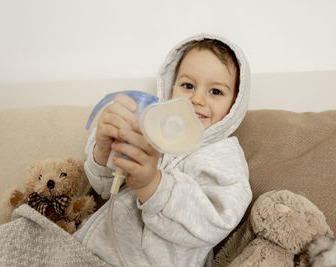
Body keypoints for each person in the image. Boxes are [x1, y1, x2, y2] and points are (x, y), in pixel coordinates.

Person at [74, 33, 252, 267]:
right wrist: (104, 148)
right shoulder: (153, 127)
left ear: (235, 104)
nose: (197, 99)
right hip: (92, 250)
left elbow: (213, 223)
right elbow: (107, 187)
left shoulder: (225, 158)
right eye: (188, 86)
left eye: (216, 91)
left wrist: (153, 185)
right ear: (170, 88)